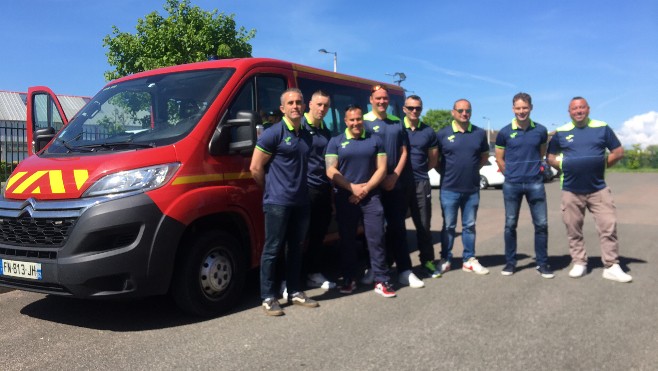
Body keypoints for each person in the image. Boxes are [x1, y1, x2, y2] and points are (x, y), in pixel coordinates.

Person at [249, 88, 320, 316]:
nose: (295, 106)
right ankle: (268, 297)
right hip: (277, 203)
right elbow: (255, 167)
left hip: (301, 202)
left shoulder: (306, 135)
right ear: (283, 108)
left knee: (296, 249)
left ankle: (295, 290)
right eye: (290, 103)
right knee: (272, 249)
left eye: (299, 102)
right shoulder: (273, 133)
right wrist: (270, 189)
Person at [547, 97, 632, 283]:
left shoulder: (602, 127)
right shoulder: (561, 132)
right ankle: (579, 262)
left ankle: (611, 265)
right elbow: (550, 157)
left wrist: (601, 165)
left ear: (588, 109)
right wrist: (563, 165)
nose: (578, 111)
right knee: (573, 228)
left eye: (582, 108)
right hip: (571, 189)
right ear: (569, 112)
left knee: (608, 226)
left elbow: (618, 152)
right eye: (574, 109)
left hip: (598, 188)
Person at [325, 105, 395, 297]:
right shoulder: (336, 141)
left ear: (362, 120)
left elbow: (382, 169)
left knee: (376, 238)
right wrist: (352, 187)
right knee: (347, 240)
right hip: (345, 197)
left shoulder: (375, 140)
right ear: (345, 121)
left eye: (358, 119)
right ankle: (349, 278)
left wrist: (365, 189)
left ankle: (381, 279)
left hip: (371, 196)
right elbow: (331, 170)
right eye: (351, 120)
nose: (356, 123)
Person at [363, 84, 424, 289]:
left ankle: (405, 270)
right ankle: (375, 268)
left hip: (394, 184)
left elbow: (404, 151)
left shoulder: (397, 122)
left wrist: (394, 175)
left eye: (385, 99)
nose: (382, 102)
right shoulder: (363, 122)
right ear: (371, 100)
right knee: (375, 231)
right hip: (372, 186)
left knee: (398, 228)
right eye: (378, 98)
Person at [495, 93, 554, 278]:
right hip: (512, 184)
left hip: (535, 183)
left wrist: (534, 172)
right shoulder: (504, 132)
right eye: (518, 108)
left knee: (542, 224)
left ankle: (542, 263)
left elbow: (542, 153)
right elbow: (499, 158)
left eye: (525, 108)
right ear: (513, 109)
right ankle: (511, 263)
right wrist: (510, 175)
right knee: (510, 224)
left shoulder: (541, 130)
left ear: (531, 108)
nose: (521, 111)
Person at [437, 99, 490, 275]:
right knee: (448, 226)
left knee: (469, 226)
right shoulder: (442, 134)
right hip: (449, 189)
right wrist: (447, 173)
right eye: (460, 110)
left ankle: (469, 259)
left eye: (467, 110)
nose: (464, 113)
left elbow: (483, 157)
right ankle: (446, 258)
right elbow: (436, 161)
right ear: (453, 112)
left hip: (472, 189)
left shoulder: (479, 133)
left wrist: (473, 171)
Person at [402, 95, 441, 278]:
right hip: (399, 184)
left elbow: (433, 159)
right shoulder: (397, 128)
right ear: (404, 109)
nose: (414, 111)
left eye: (418, 108)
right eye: (411, 108)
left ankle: (427, 262)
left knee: (423, 226)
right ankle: (396, 265)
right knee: (395, 226)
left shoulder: (428, 132)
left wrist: (421, 172)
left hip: (421, 183)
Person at [301, 90, 336, 290]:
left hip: (322, 188)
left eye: (326, 106)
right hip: (303, 190)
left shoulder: (326, 131)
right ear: (310, 104)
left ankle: (313, 274)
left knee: (317, 235)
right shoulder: (300, 127)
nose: (322, 109)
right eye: (319, 105)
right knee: (296, 238)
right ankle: (287, 280)